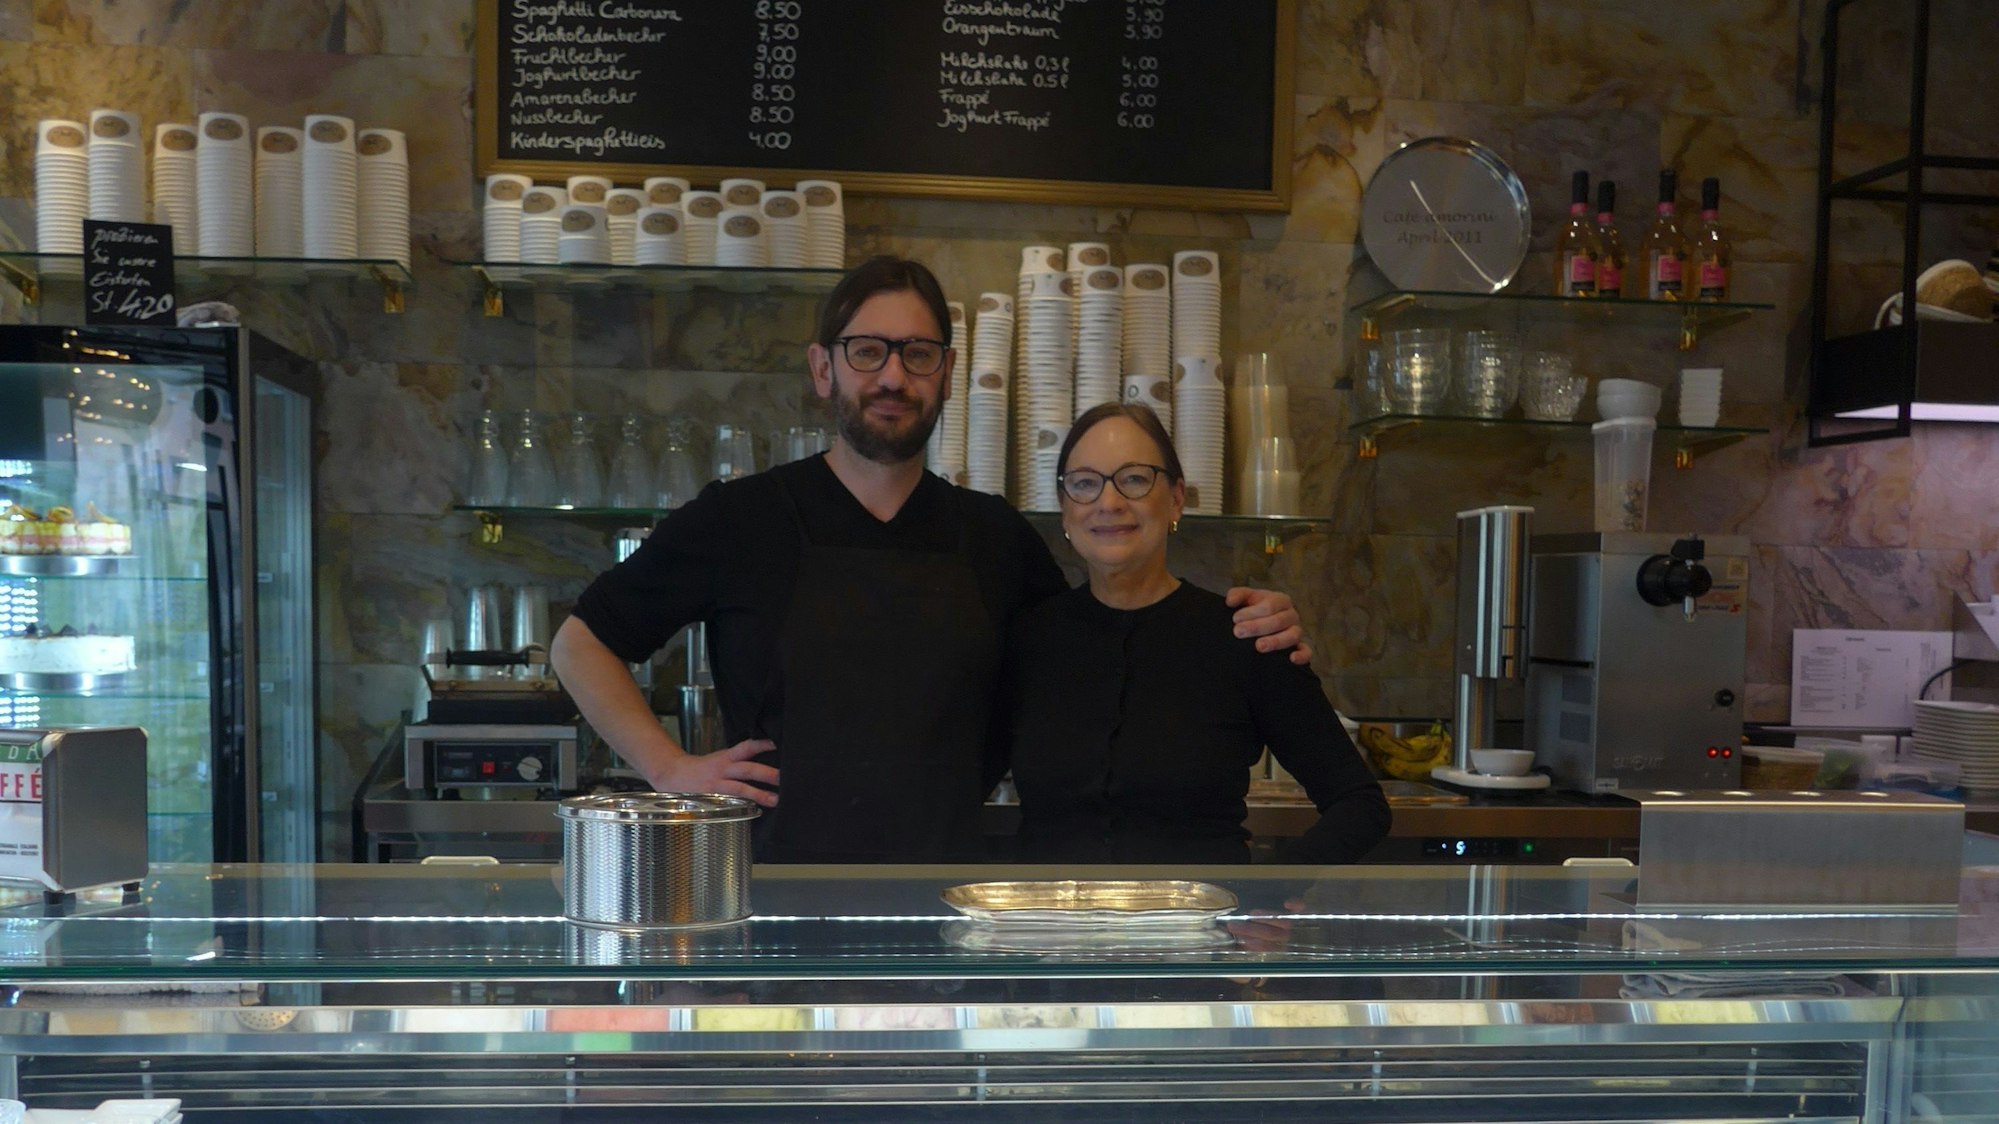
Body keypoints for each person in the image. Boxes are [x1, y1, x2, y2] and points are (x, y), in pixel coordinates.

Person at [551, 256, 1307, 862]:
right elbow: (580, 642)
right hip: (771, 891)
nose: (891, 377)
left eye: (917, 355)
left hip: (946, 892)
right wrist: (669, 768)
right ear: (823, 369)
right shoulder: (741, 519)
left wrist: (1247, 629)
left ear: (945, 374)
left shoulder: (993, 537)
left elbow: (1099, 643)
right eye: (866, 351)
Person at [994, 402, 1390, 865]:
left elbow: (1360, 805)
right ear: (1064, 508)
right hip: (1052, 929)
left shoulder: (1243, 635)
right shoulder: (1030, 639)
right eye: (1084, 483)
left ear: (1177, 498)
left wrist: (1272, 895)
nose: (1109, 502)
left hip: (1197, 933)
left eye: (1135, 479)